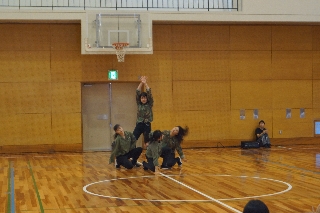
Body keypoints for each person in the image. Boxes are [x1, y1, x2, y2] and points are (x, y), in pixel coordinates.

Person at [133, 76, 154, 146]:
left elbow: (149, 92)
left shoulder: (149, 104)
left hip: (147, 124)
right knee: (133, 139)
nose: (143, 99)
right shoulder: (139, 104)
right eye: (142, 98)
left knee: (147, 142)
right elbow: (137, 91)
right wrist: (141, 83)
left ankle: (149, 155)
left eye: (145, 98)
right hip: (139, 123)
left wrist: (145, 83)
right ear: (140, 99)